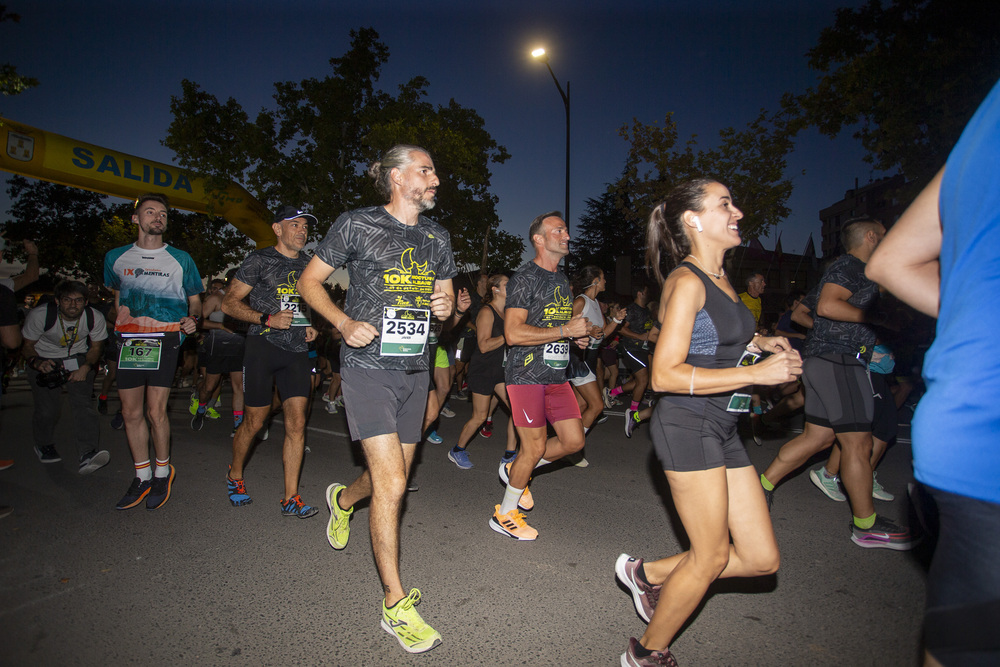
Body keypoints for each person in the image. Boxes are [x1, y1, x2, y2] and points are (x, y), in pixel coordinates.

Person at [615, 179, 800, 666]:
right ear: (693, 220)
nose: (737, 212)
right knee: (712, 555)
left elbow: (714, 339)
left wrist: (760, 343)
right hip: (687, 425)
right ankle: (647, 653)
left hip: (722, 427)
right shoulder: (687, 280)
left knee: (762, 559)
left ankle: (650, 573)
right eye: (725, 205)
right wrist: (757, 373)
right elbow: (664, 373)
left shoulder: (721, 279)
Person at [298, 144, 457, 654]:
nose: (435, 178)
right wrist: (343, 323)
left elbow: (449, 302)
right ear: (396, 177)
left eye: (433, 170)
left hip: (415, 370)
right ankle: (394, 604)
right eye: (425, 170)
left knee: (391, 479)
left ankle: (342, 500)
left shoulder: (438, 236)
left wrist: (445, 302)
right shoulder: (356, 223)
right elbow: (309, 282)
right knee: (391, 482)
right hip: (367, 369)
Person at [865, 77, 1000, 666]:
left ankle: (859, 506)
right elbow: (825, 303)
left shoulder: (982, 123)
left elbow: (893, 261)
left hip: (964, 414)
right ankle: (861, 512)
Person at [758, 218, 919, 550]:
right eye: (884, 234)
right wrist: (874, 319)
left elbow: (809, 310)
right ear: (871, 236)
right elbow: (828, 306)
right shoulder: (851, 266)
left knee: (818, 437)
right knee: (858, 443)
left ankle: (760, 488)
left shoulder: (855, 271)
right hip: (839, 361)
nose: (888, 240)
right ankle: (866, 526)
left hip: (827, 360)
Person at [491, 211, 590, 541]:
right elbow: (513, 334)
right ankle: (505, 513)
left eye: (566, 230)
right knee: (531, 450)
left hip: (556, 375)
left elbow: (552, 327)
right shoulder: (523, 278)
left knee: (574, 442)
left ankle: (515, 469)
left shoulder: (562, 281)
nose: (566, 235)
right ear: (539, 238)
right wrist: (563, 329)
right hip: (525, 375)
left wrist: (574, 336)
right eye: (558, 230)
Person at [104, 194, 202, 511]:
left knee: (155, 411)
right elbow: (117, 298)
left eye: (162, 213)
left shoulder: (181, 259)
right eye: (150, 212)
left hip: (166, 337)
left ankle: (162, 472)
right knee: (131, 412)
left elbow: (196, 302)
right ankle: (142, 475)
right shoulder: (115, 258)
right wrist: (117, 317)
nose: (157, 217)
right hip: (130, 340)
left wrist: (194, 320)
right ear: (136, 219)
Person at [221, 206, 319, 518]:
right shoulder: (259, 259)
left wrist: (310, 325)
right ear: (278, 229)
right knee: (255, 420)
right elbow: (229, 303)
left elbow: (306, 303)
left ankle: (291, 497)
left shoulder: (310, 265)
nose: (302, 231)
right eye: (295, 225)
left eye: (305, 226)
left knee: (298, 422)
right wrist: (266, 319)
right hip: (262, 346)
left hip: (296, 352)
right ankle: (235, 475)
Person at [21, 280, 110, 473]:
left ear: (86, 302)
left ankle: (87, 453)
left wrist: (86, 367)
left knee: (83, 406)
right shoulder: (40, 315)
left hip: (77, 358)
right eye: (67, 300)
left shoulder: (94, 317)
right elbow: (27, 346)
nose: (73, 305)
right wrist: (37, 363)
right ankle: (43, 445)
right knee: (47, 410)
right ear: (57, 301)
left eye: (78, 300)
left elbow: (96, 348)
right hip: (44, 358)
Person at [448, 274, 517, 470]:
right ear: (495, 289)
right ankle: (457, 450)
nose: (511, 286)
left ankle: (510, 455)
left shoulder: (506, 312)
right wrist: (507, 337)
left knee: (517, 411)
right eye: (506, 284)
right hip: (483, 370)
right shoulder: (487, 312)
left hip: (500, 370)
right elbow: (484, 346)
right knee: (479, 416)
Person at [567, 265, 626, 464]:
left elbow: (603, 334)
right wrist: (585, 332)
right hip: (578, 357)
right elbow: (566, 327)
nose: (605, 281)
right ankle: (572, 447)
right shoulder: (580, 301)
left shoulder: (595, 302)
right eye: (602, 278)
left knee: (580, 405)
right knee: (597, 404)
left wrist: (616, 320)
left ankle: (563, 436)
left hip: (591, 358)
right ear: (594, 281)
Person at [195, 274, 246, 435]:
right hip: (218, 348)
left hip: (239, 348)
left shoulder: (245, 298)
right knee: (210, 386)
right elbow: (197, 322)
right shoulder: (215, 299)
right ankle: (201, 409)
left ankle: (238, 424)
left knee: (239, 386)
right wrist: (221, 326)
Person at [606, 283, 656, 436]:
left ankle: (612, 392)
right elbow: (621, 328)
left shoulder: (646, 310)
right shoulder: (631, 310)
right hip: (631, 348)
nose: (649, 293)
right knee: (642, 380)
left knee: (643, 381)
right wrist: (639, 336)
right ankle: (633, 412)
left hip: (644, 348)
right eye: (647, 290)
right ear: (640, 292)